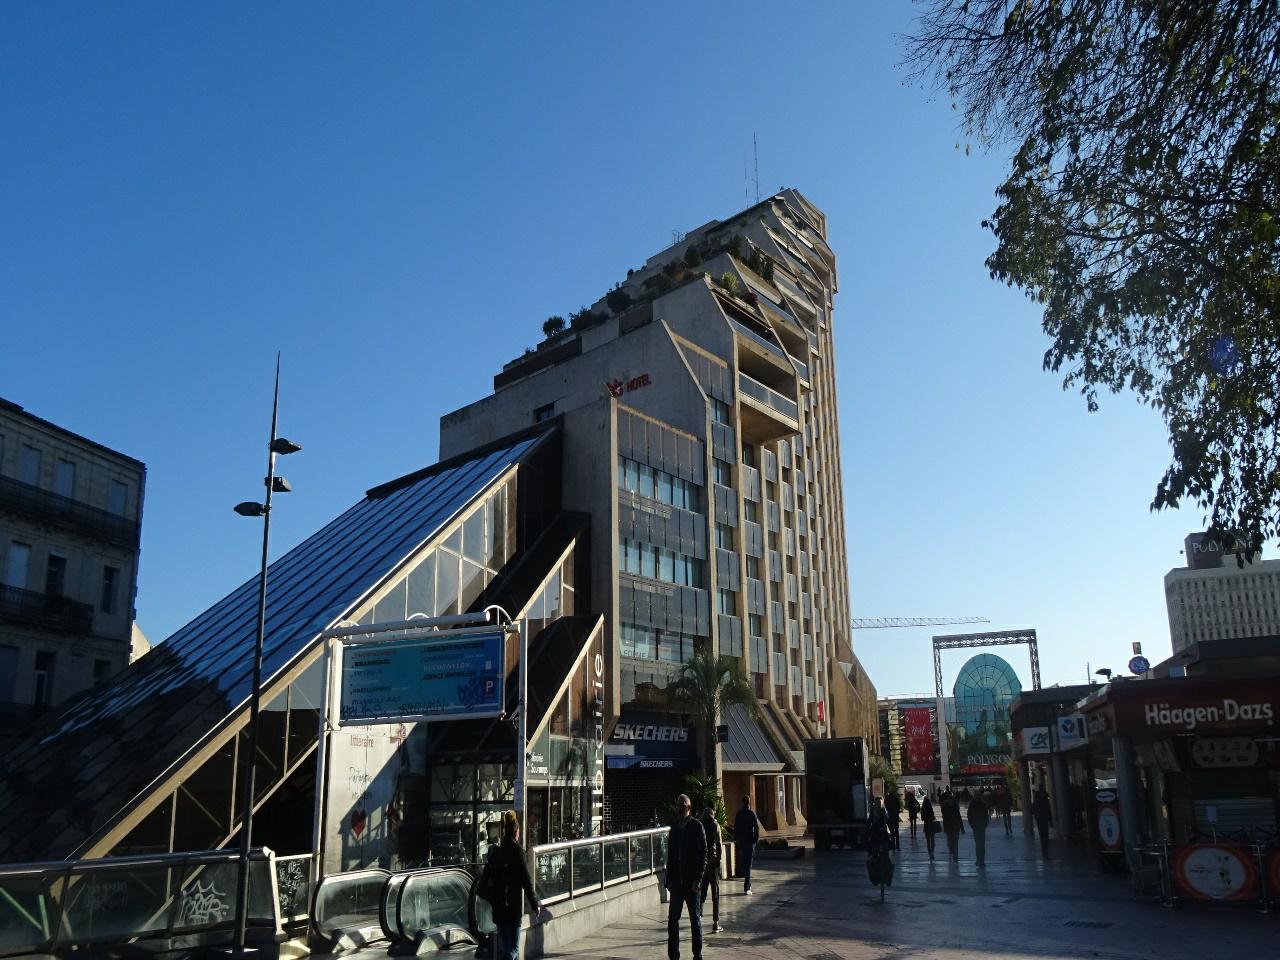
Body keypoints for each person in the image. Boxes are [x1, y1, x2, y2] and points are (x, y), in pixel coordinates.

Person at [483, 809, 542, 960]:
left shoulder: (497, 851)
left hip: (499, 905)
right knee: (514, 949)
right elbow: (526, 880)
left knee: (506, 947)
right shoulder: (517, 851)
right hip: (513, 905)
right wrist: (534, 903)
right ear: (516, 831)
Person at [666, 793, 707, 960]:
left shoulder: (697, 826)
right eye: (678, 805)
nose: (679, 808)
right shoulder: (675, 827)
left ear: (689, 807)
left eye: (682, 805)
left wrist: (698, 879)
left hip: (692, 883)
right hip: (677, 882)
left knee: (694, 920)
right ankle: (673, 955)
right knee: (672, 921)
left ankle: (697, 954)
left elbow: (703, 855)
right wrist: (669, 880)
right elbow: (670, 855)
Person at [698, 803, 722, 934]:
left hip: (703, 863)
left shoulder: (700, 824)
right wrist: (719, 860)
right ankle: (715, 923)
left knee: (702, 892)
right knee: (715, 894)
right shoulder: (715, 825)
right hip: (713, 863)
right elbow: (718, 844)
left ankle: (699, 918)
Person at [733, 795, 759, 894]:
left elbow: (736, 827)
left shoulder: (739, 814)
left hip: (742, 841)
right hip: (749, 841)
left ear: (742, 802)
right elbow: (756, 827)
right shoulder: (752, 813)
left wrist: (736, 838)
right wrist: (755, 839)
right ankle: (747, 887)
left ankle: (747, 885)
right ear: (749, 802)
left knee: (744, 862)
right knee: (748, 864)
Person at [967, 790, 990, 867]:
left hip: (981, 826)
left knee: (981, 844)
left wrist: (985, 823)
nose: (976, 797)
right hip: (976, 827)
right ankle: (979, 859)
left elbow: (986, 815)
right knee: (978, 844)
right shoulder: (972, 804)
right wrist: (972, 825)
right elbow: (969, 815)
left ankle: (981, 860)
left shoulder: (982, 804)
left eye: (977, 796)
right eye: (975, 796)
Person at [941, 789, 962, 861]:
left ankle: (955, 856)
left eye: (951, 801)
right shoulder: (946, 808)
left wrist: (962, 828)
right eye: (949, 801)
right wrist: (945, 828)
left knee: (955, 842)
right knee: (950, 842)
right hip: (949, 828)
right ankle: (952, 852)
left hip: (955, 827)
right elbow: (945, 819)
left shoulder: (955, 808)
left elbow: (959, 818)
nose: (950, 802)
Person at [1031, 787, 1053, 858]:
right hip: (1043, 819)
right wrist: (1051, 820)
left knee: (1043, 835)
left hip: (1040, 819)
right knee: (1045, 835)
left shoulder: (1037, 801)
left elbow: (1032, 810)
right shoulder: (1045, 801)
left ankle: (1044, 850)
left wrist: (1036, 814)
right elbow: (1048, 811)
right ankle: (1045, 850)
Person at [920, 793, 938, 860]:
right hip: (932, 825)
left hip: (926, 826)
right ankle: (932, 852)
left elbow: (922, 818)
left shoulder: (923, 808)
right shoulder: (930, 808)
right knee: (932, 840)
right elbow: (933, 816)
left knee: (928, 841)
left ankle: (930, 854)